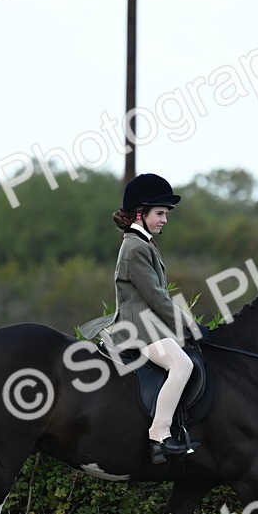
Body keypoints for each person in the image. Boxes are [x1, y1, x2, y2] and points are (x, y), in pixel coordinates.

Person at [80, 173, 200, 464]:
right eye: (160, 213)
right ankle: (159, 437)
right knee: (181, 365)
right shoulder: (134, 248)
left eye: (165, 214)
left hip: (148, 324)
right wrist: (188, 324)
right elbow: (157, 297)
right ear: (140, 213)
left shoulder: (142, 244)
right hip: (139, 329)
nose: (164, 220)